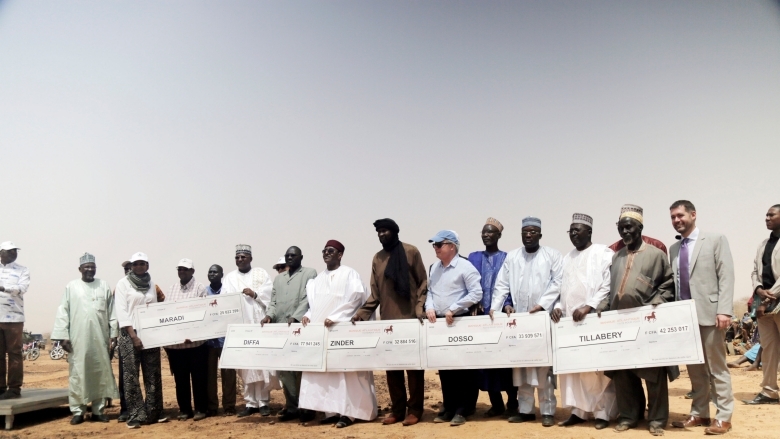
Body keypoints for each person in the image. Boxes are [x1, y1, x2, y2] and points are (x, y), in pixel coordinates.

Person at [600, 205, 675, 436]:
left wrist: (658, 300)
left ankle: (657, 419)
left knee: (653, 373)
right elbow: (609, 290)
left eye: (629, 227)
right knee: (624, 374)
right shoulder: (616, 257)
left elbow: (668, 285)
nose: (625, 232)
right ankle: (630, 416)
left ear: (640, 227)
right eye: (621, 228)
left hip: (646, 326)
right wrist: (602, 308)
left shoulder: (656, 255)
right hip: (619, 326)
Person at [352, 218, 428, 426]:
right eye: (379, 232)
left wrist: (419, 307)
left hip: (411, 320)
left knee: (413, 368)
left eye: (385, 231)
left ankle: (415, 410)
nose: (381, 235)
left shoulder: (411, 251)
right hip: (387, 321)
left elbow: (422, 282)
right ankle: (397, 410)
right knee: (392, 368)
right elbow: (375, 293)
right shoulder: (377, 258)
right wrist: (362, 313)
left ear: (394, 232)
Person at [668, 200, 735, 435]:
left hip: (712, 314)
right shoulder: (673, 249)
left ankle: (724, 416)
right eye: (673, 217)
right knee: (695, 370)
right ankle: (700, 413)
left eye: (680, 216)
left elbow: (726, 276)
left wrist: (724, 310)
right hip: (685, 318)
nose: (677, 221)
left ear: (693, 215)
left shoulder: (715, 240)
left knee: (717, 369)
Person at [490, 217, 561, 427]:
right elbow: (502, 284)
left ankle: (547, 410)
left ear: (540, 234)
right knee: (521, 367)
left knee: (543, 368)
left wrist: (542, 304)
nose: (528, 235)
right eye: (525, 232)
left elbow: (558, 282)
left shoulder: (552, 255)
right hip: (520, 320)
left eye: (532, 232)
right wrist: (499, 306)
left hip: (541, 319)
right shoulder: (512, 257)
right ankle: (526, 410)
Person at [299, 240, 378, 428]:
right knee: (327, 374)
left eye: (331, 251)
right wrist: (308, 316)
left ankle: (349, 413)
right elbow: (315, 305)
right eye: (324, 250)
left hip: (342, 331)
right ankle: (332, 411)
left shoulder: (350, 274)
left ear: (340, 255)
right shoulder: (317, 279)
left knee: (346, 374)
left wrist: (336, 316)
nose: (326, 253)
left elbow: (355, 299)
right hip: (322, 333)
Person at [551, 213, 616, 430]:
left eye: (577, 230)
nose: (573, 235)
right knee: (574, 371)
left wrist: (589, 306)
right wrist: (559, 308)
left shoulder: (602, 253)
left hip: (592, 319)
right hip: (570, 324)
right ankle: (578, 412)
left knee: (595, 371)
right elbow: (562, 291)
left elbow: (606, 286)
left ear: (589, 231)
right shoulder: (566, 258)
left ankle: (602, 412)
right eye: (570, 231)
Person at [51, 253, 119, 424]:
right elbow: (63, 312)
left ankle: (98, 410)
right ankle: (78, 411)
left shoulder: (103, 285)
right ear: (80, 269)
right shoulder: (71, 287)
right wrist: (63, 337)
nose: (90, 269)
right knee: (78, 374)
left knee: (99, 373)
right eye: (86, 267)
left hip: (100, 339)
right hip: (77, 340)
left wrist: (113, 335)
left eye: (92, 267)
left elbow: (112, 313)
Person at [427, 230, 482, 427]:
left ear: (452, 246)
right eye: (434, 245)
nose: (435, 248)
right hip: (440, 324)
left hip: (460, 321)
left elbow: (476, 293)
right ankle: (448, 407)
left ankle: (463, 409)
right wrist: (430, 307)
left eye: (439, 245)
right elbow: (430, 292)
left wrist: (454, 307)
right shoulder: (434, 268)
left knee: (463, 368)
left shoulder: (465, 267)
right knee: (445, 369)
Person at [467, 218, 518, 418]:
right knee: (485, 364)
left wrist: (508, 303)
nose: (486, 235)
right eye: (484, 232)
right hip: (480, 318)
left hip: (501, 318)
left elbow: (512, 284)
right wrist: (472, 302)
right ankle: (496, 404)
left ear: (499, 235)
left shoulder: (508, 257)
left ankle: (512, 403)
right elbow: (468, 283)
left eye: (490, 232)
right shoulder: (473, 257)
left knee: (506, 363)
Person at [260, 246, 317, 422]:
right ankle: (292, 407)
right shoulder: (278, 279)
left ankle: (307, 408)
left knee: (301, 370)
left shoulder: (310, 273)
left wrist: (296, 317)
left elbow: (308, 298)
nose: (290, 258)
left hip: (300, 328)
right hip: (281, 329)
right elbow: (273, 301)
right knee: (285, 371)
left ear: (301, 257)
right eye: (287, 256)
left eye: (293, 255)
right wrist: (269, 315)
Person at [223, 244, 279, 417]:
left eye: (243, 257)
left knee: (261, 363)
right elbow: (225, 299)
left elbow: (271, 294)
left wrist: (255, 293)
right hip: (241, 327)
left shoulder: (261, 273)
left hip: (259, 323)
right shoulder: (230, 278)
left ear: (250, 258)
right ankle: (250, 403)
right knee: (246, 364)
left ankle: (263, 402)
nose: (240, 260)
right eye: (237, 257)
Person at [114, 252, 167, 428]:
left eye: (142, 263)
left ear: (147, 266)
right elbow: (122, 311)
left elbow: (157, 307)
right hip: (129, 334)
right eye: (136, 264)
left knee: (153, 373)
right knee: (131, 376)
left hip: (150, 332)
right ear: (132, 266)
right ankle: (135, 414)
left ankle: (154, 412)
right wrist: (133, 335)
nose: (139, 267)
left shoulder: (152, 284)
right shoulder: (123, 284)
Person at [164, 259, 208, 421]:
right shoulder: (172, 288)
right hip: (177, 346)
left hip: (196, 344)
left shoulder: (199, 287)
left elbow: (204, 313)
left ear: (192, 271)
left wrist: (194, 333)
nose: (182, 271)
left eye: (185, 269)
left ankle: (200, 409)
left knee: (199, 378)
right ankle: (185, 410)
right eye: (180, 269)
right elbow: (168, 314)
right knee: (180, 379)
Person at [744, 204, 780, 405]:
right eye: (766, 215)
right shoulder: (763, 244)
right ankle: (769, 392)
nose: (767, 218)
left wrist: (769, 297)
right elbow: (755, 271)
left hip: (773, 301)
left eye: (771, 215)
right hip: (763, 304)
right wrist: (758, 289)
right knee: (769, 348)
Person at [204, 265, 236, 416]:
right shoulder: (203, 292)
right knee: (209, 376)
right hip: (209, 342)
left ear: (222, 274)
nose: (212, 274)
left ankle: (229, 406)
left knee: (228, 375)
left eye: (215, 271)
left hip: (225, 340)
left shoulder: (228, 292)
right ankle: (212, 407)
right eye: (210, 271)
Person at [0, 241, 29, 400]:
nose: (13, 254)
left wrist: (4, 288)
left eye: (15, 251)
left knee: (14, 353)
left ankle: (14, 388)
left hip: (14, 318)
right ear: (0, 253)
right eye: (9, 251)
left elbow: (22, 288)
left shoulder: (22, 270)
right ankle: (0, 388)